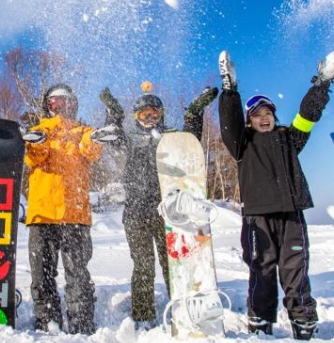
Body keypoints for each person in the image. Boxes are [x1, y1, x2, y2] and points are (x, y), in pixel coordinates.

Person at [217, 50, 334, 340]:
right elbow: (229, 123)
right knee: (260, 270)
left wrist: (323, 83)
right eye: (257, 115)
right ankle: (260, 321)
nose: (264, 118)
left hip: (290, 215)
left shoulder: (290, 139)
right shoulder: (242, 146)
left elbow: (308, 114)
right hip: (257, 218)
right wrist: (230, 90)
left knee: (295, 271)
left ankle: (303, 320)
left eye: (268, 113)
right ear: (249, 121)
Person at [97, 82, 218, 329]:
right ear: (136, 116)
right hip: (135, 211)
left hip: (167, 212)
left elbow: (190, 142)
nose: (150, 117)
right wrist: (113, 111)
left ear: (161, 114)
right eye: (144, 113)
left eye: (154, 112)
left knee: (173, 264)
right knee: (142, 265)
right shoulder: (129, 138)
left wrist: (194, 113)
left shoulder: (170, 135)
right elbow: (114, 135)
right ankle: (143, 316)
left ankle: (183, 311)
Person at [21, 83, 103, 335]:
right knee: (42, 277)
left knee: (77, 276)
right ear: (48, 104)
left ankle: (82, 327)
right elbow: (32, 157)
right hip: (42, 215)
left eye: (65, 101)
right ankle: (48, 325)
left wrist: (97, 136)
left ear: (73, 104)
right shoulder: (38, 130)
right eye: (55, 101)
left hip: (75, 216)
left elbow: (92, 149)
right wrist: (37, 140)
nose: (60, 105)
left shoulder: (83, 131)